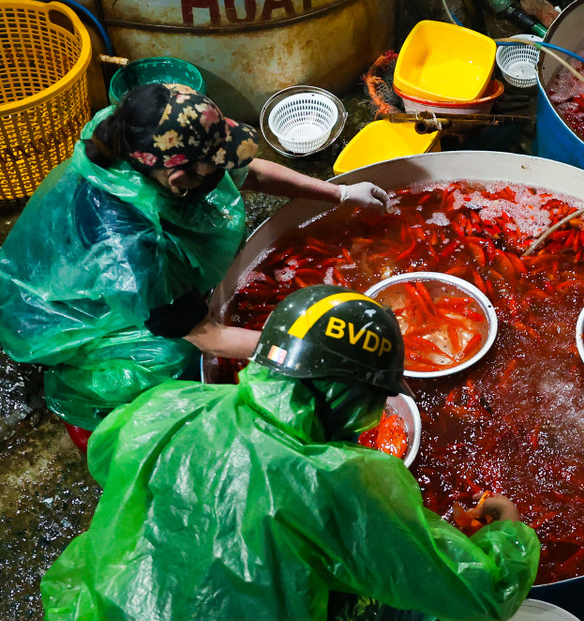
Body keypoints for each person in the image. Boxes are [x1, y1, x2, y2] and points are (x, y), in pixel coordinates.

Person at [40, 285, 541, 621]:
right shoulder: (336, 479)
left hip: (100, 603)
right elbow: (478, 595)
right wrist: (507, 533)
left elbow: (105, 460)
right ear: (355, 397)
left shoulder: (169, 402)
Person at [0, 83, 389, 444]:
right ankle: (90, 379)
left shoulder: (134, 138)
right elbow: (208, 336)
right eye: (213, 171)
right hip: (60, 312)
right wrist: (316, 352)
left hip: (89, 268)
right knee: (178, 357)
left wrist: (339, 193)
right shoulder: (132, 248)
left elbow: (248, 171)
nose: (224, 176)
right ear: (178, 180)